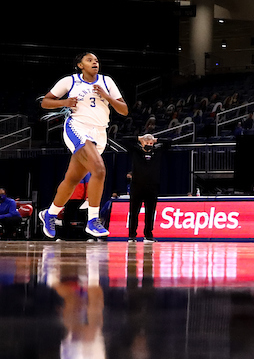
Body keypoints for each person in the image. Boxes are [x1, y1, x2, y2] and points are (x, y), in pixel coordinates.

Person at [38, 52, 128, 239]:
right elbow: (45, 102)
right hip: (77, 127)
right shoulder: (70, 81)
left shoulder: (107, 81)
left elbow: (124, 110)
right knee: (99, 170)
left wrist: (107, 97)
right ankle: (93, 220)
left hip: (100, 133)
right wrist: (64, 102)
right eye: (90, 60)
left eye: (96, 60)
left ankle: (50, 213)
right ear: (80, 65)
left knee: (72, 180)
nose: (95, 62)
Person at [128, 134, 168, 242]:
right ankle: (132, 235)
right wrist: (139, 138)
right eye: (146, 142)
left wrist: (156, 139)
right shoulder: (136, 151)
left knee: (150, 212)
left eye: (150, 143)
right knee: (134, 212)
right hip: (137, 186)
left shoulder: (156, 152)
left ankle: (148, 234)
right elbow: (124, 140)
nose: (148, 145)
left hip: (152, 187)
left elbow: (169, 142)